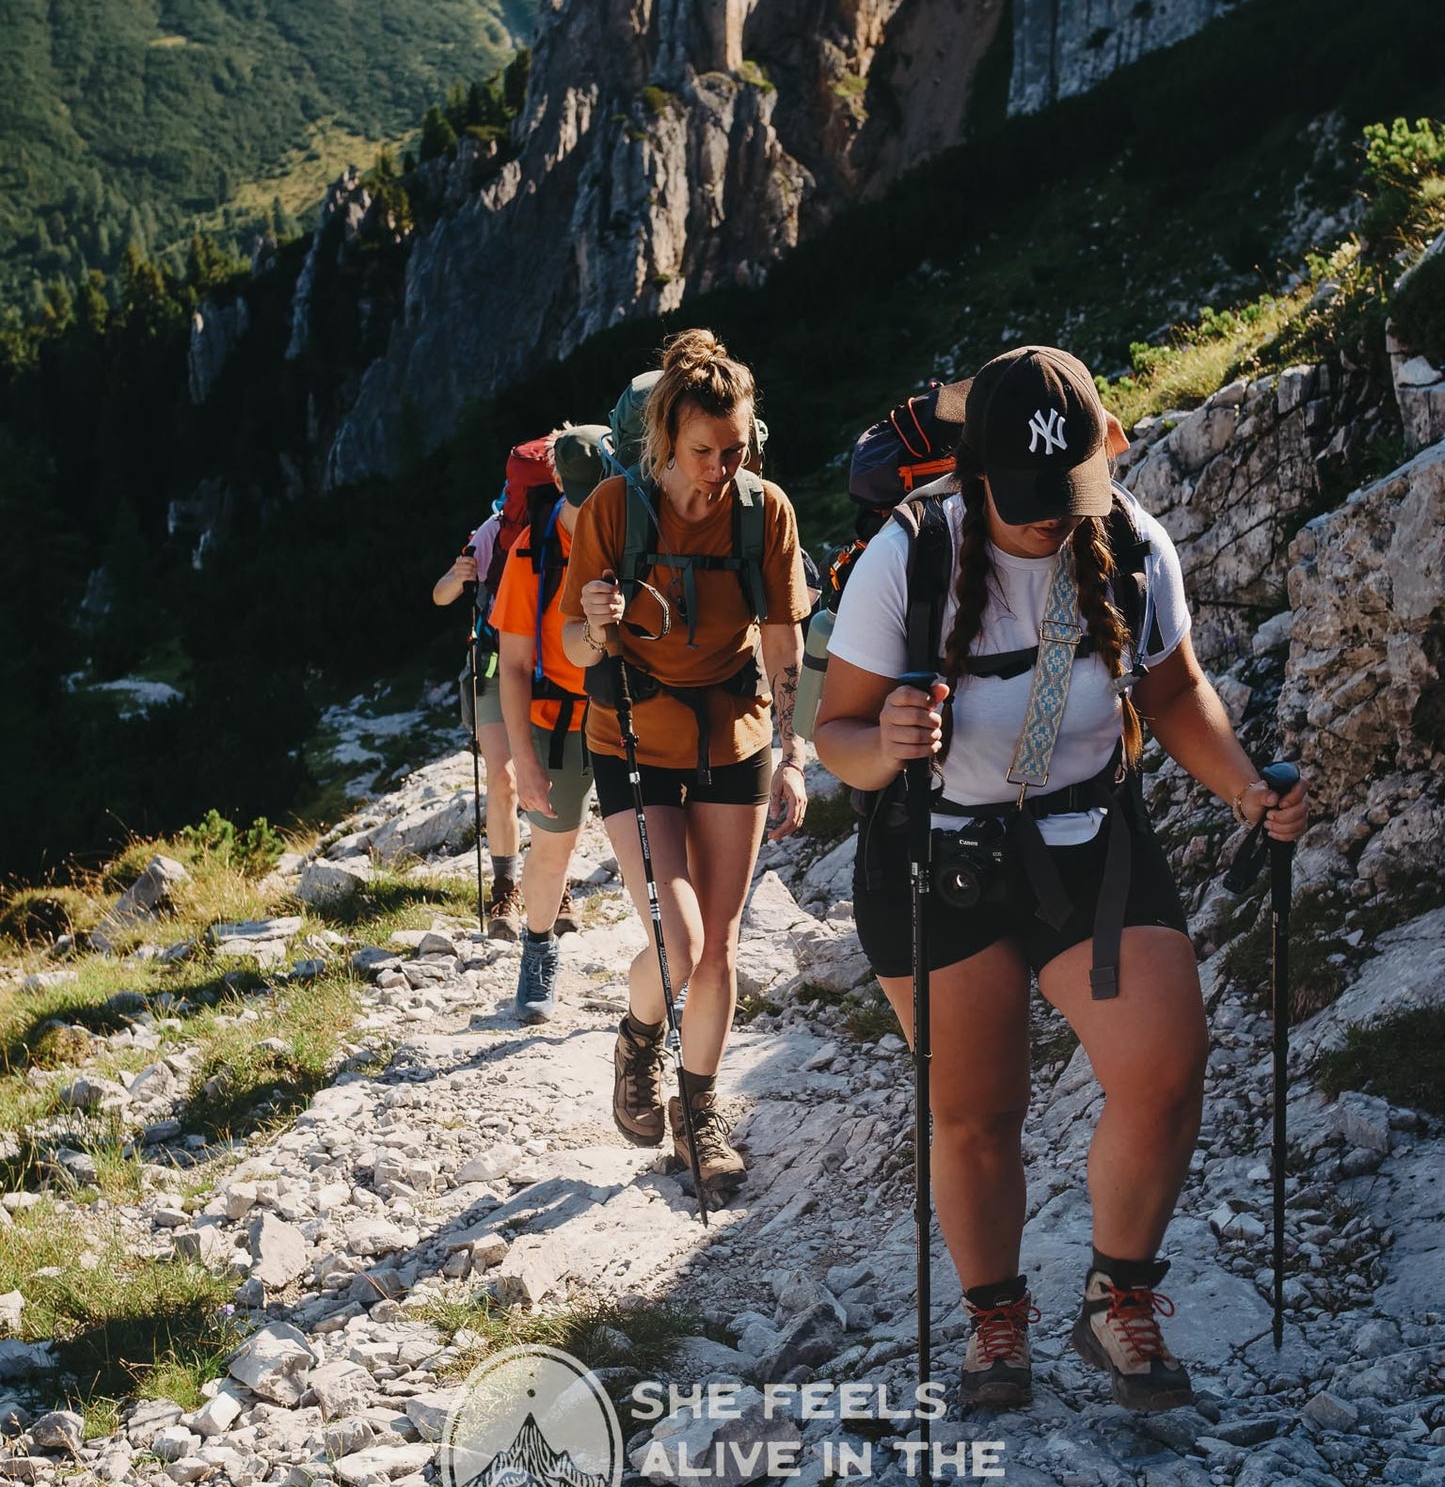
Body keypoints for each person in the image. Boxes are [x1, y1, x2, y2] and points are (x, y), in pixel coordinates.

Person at [815, 345, 1309, 1414]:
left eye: (1068, 493)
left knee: (1166, 1066)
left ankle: (1114, 1298)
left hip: (1091, 840)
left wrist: (1240, 789)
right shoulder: (907, 557)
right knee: (977, 1112)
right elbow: (836, 739)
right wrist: (885, 737)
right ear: (973, 473)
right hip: (934, 857)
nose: (1052, 518)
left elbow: (1172, 690)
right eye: (1030, 499)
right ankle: (996, 1320)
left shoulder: (1129, 541)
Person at [561, 329, 812, 1190]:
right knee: (679, 936)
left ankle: (696, 1116)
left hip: (734, 736)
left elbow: (784, 637)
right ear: (667, 439)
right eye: (705, 451)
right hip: (632, 739)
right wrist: (595, 619)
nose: (720, 466)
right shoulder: (612, 512)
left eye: (736, 448)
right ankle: (639, 1038)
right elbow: (568, 641)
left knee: (719, 949)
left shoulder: (763, 510)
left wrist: (794, 755)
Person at [492, 427, 605, 1021]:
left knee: (657, 848)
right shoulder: (529, 550)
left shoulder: (629, 534)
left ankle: (673, 967)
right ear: (556, 480)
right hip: (556, 720)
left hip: (629, 712)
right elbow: (512, 665)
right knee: (553, 849)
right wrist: (523, 760)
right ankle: (538, 948)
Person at [432, 510, 523, 937]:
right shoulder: (497, 529)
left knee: (544, 782)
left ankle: (549, 881)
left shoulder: (573, 522)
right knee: (503, 779)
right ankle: (505, 886)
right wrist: (459, 574)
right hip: (493, 671)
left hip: (549, 675)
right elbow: (441, 595)